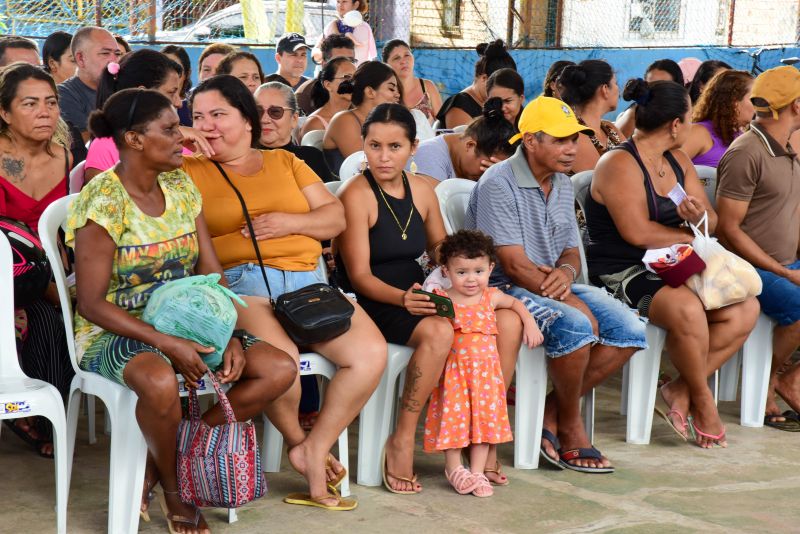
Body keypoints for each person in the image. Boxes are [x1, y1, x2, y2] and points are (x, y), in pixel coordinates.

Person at [68, 88, 296, 532]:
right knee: (156, 379)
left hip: (190, 322)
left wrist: (227, 332)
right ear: (134, 139)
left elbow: (212, 274)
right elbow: (91, 304)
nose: (184, 137)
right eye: (171, 129)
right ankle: (176, 490)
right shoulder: (103, 202)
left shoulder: (179, 184)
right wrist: (167, 342)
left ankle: (163, 464)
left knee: (278, 369)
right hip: (116, 332)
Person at [184, 75, 386, 510]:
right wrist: (178, 135)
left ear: (248, 121)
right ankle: (301, 444)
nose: (208, 126)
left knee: (370, 355)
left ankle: (316, 447)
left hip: (308, 285)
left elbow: (333, 218)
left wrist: (289, 223)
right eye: (198, 117)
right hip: (242, 285)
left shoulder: (286, 163)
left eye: (219, 115)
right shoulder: (187, 169)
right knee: (284, 367)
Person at [335, 103, 522, 493]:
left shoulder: (422, 190)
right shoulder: (356, 194)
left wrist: (465, 275)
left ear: (413, 148)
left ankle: (482, 436)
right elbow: (360, 275)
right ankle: (402, 437)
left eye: (394, 146)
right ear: (363, 146)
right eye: (374, 146)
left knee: (505, 320)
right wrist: (405, 299)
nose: (384, 157)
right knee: (439, 332)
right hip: (377, 299)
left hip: (424, 291)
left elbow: (440, 248)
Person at [466, 96, 649, 471]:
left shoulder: (562, 184)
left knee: (630, 328)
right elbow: (513, 265)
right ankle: (570, 424)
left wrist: (566, 276)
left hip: (551, 282)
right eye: (560, 140)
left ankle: (552, 413)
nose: (571, 149)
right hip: (502, 289)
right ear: (531, 141)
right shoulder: (498, 183)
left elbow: (570, 253)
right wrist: (568, 296)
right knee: (580, 324)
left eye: (574, 139)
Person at [587, 78, 759, 447]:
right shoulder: (619, 162)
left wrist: (695, 217)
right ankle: (704, 402)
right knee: (687, 309)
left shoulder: (677, 160)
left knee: (745, 308)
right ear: (675, 124)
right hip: (623, 268)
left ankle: (680, 390)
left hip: (674, 263)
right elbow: (636, 233)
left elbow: (711, 221)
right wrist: (690, 236)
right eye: (689, 117)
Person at [423, 230, 542, 497]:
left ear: (490, 268)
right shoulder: (443, 298)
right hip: (455, 375)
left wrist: (530, 323)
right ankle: (454, 468)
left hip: (487, 377)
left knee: (484, 426)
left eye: (478, 271)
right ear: (446, 270)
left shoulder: (491, 296)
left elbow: (516, 304)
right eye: (462, 272)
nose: (471, 279)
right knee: (454, 422)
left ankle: (477, 472)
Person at [715, 66, 800, 431]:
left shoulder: (790, 147)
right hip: (748, 266)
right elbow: (729, 230)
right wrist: (783, 271)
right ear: (797, 105)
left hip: (786, 261)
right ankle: (768, 381)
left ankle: (788, 379)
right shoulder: (746, 151)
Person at [0, 62, 74, 459]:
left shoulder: (63, 155)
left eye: (51, 102)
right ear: (5, 112)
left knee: (54, 323)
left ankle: (43, 417)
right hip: (4, 274)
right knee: (45, 314)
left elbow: (61, 229)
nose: (45, 111)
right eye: (30, 103)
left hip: (43, 272)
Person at [83, 49, 187, 184]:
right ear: (143, 92)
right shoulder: (106, 147)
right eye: (171, 92)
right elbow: (101, 200)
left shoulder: (184, 140)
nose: (179, 103)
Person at [411, 98, 516, 186]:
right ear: (470, 145)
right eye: (487, 167)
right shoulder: (429, 158)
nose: (488, 173)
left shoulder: (461, 155)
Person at [322, 61, 400, 172]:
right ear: (370, 92)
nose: (397, 94)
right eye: (391, 89)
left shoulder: (384, 121)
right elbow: (368, 166)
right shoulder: (344, 120)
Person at [256, 81, 335, 182]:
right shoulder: (240, 158)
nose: (264, 119)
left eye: (275, 112)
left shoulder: (311, 158)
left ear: (294, 119)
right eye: (258, 111)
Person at [558, 60, 624, 174]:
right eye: (616, 83)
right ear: (605, 89)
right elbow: (603, 180)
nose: (619, 89)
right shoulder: (574, 135)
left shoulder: (609, 128)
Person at [682, 69, 754, 168]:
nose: (758, 105)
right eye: (753, 99)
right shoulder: (699, 133)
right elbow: (668, 170)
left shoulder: (743, 137)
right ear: (734, 102)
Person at [436, 40, 516, 129]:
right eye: (501, 87)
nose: (504, 94)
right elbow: (464, 141)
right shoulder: (460, 106)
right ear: (484, 79)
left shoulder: (498, 104)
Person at [57, 26, 118, 142]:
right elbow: (85, 141)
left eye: (117, 54)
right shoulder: (64, 94)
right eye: (105, 53)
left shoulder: (121, 88)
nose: (114, 60)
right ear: (81, 59)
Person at [616, 59, 684, 139]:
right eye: (651, 85)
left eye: (664, 86)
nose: (656, 91)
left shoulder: (684, 114)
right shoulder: (633, 114)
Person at [382, 39, 442, 125]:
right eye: (396, 58)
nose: (403, 61)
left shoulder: (427, 87)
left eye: (407, 55)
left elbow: (441, 123)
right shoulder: (384, 92)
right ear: (386, 64)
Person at [297, 34, 355, 116]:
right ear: (324, 64)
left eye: (351, 61)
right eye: (338, 61)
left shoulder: (362, 91)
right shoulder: (305, 95)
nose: (347, 65)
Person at [299, 56, 356, 139]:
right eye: (347, 77)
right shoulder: (315, 124)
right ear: (328, 85)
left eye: (356, 78)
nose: (354, 83)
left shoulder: (359, 116)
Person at [317, 0, 376, 66]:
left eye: (344, 1)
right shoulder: (332, 24)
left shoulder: (363, 27)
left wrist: (336, 31)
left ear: (355, 5)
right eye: (338, 2)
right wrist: (321, 53)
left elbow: (342, 49)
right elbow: (316, 52)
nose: (340, 5)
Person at [161, 45, 193, 126]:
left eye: (177, 69)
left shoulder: (194, 107)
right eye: (162, 69)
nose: (169, 75)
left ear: (187, 73)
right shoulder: (146, 108)